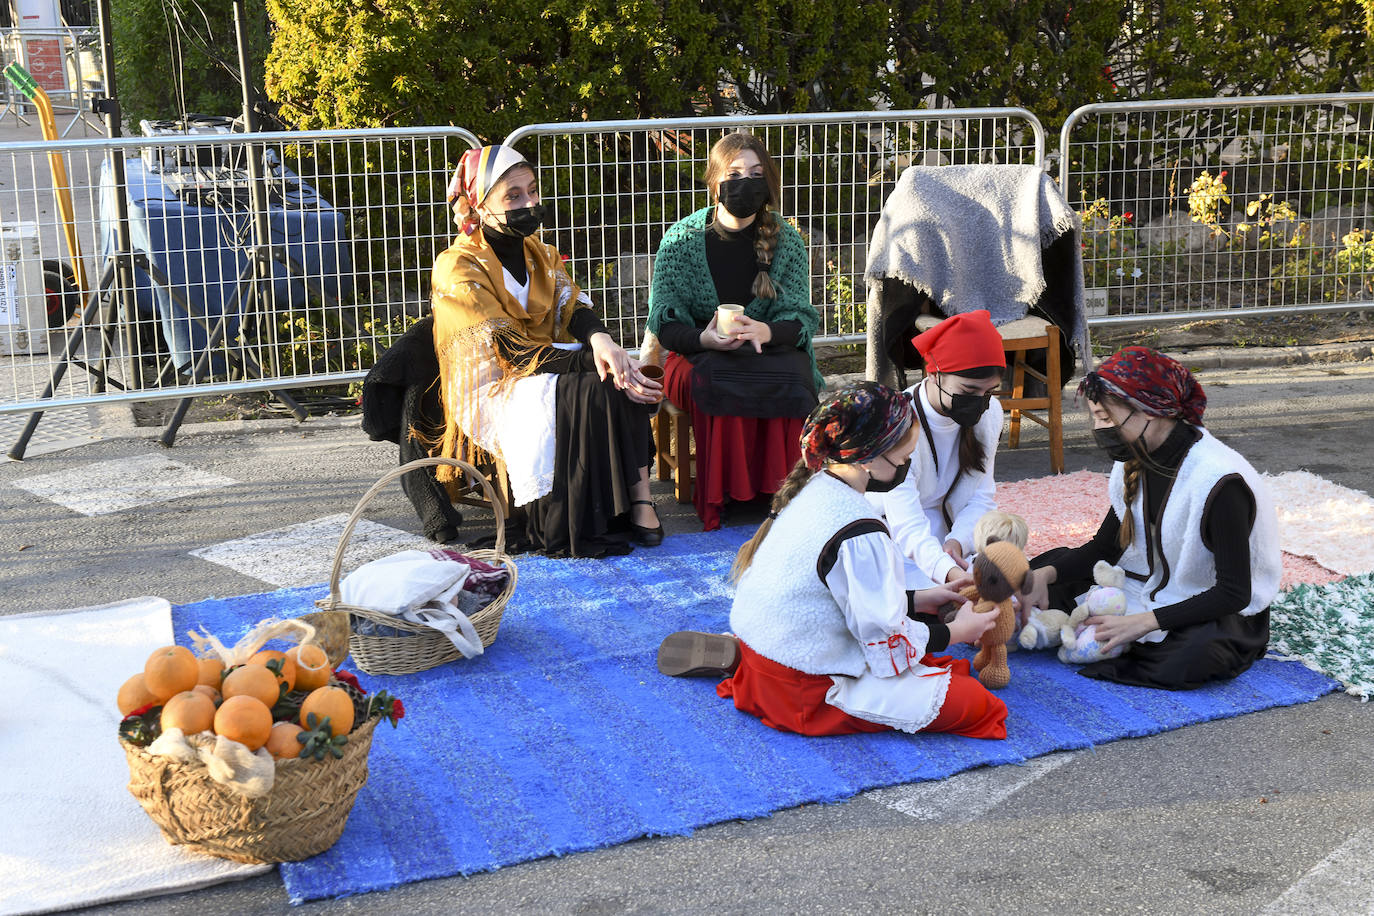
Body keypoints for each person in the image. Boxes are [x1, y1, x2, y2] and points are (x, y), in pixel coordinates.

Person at [659, 382, 1008, 739]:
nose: (906, 465)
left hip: (766, 647)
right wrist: (956, 632)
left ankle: (744, 660)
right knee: (978, 704)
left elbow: (833, 595)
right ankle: (775, 679)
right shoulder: (861, 531)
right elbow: (886, 646)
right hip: (803, 688)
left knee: (930, 658)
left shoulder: (815, 487)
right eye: (903, 458)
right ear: (868, 456)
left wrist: (918, 599)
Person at [430, 144, 664, 557]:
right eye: (513, 196)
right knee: (597, 380)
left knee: (611, 371)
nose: (529, 203)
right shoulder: (457, 265)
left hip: (542, 359)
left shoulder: (540, 252)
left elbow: (571, 306)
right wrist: (594, 360)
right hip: (493, 382)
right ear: (481, 206)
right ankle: (583, 514)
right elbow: (510, 352)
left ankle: (637, 498)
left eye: (533, 190)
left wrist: (602, 341)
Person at [1022, 346, 1282, 690]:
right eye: (1095, 418)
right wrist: (1044, 576)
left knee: (1196, 653)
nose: (1099, 429)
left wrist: (1143, 622)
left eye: (1106, 418)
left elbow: (1233, 594)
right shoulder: (1134, 458)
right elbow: (1105, 548)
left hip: (1213, 606)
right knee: (1044, 568)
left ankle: (1122, 637)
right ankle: (1108, 632)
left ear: (1150, 412)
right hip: (1146, 585)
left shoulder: (1220, 481)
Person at [645, 132, 822, 531]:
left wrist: (765, 331)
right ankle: (724, 496)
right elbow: (665, 321)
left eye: (756, 174)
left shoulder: (786, 240)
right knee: (718, 376)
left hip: (765, 350)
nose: (746, 183)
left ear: (769, 181)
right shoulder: (682, 240)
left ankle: (785, 493)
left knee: (796, 374)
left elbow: (800, 318)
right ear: (714, 182)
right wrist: (703, 339)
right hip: (697, 354)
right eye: (735, 173)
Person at [869, 310, 1007, 586]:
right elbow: (905, 524)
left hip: (951, 536)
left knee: (1011, 579)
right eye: (968, 391)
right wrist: (950, 573)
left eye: (989, 391)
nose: (981, 402)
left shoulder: (990, 413)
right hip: (892, 536)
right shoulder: (898, 422)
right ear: (934, 374)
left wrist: (958, 542)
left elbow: (982, 497)